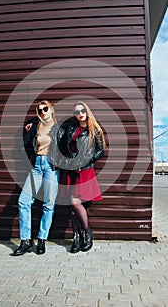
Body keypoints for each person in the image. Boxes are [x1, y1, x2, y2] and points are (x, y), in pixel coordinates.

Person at [57, 101, 106, 253]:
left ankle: (87, 232)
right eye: (77, 111)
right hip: (71, 170)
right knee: (73, 208)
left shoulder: (94, 128)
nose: (80, 113)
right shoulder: (70, 127)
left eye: (82, 110)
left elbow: (100, 150)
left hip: (84, 170)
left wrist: (86, 161)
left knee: (75, 202)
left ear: (87, 111)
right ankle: (77, 237)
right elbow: (58, 138)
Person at [12, 100, 59, 256]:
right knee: (23, 201)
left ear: (51, 109)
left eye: (45, 109)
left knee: (48, 204)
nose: (43, 112)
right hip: (37, 166)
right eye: (40, 111)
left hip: (51, 167)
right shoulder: (34, 126)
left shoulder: (60, 127)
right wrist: (31, 124)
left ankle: (42, 239)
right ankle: (26, 241)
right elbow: (25, 145)